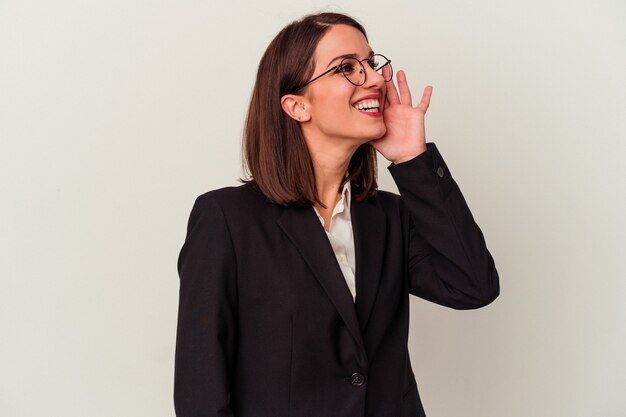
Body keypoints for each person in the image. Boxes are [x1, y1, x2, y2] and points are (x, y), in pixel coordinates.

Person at [174, 12, 499, 417]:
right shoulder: (226, 219)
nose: (376, 80)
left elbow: (473, 286)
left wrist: (413, 161)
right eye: (347, 68)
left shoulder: (390, 217)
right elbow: (200, 394)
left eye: (370, 64)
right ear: (296, 106)